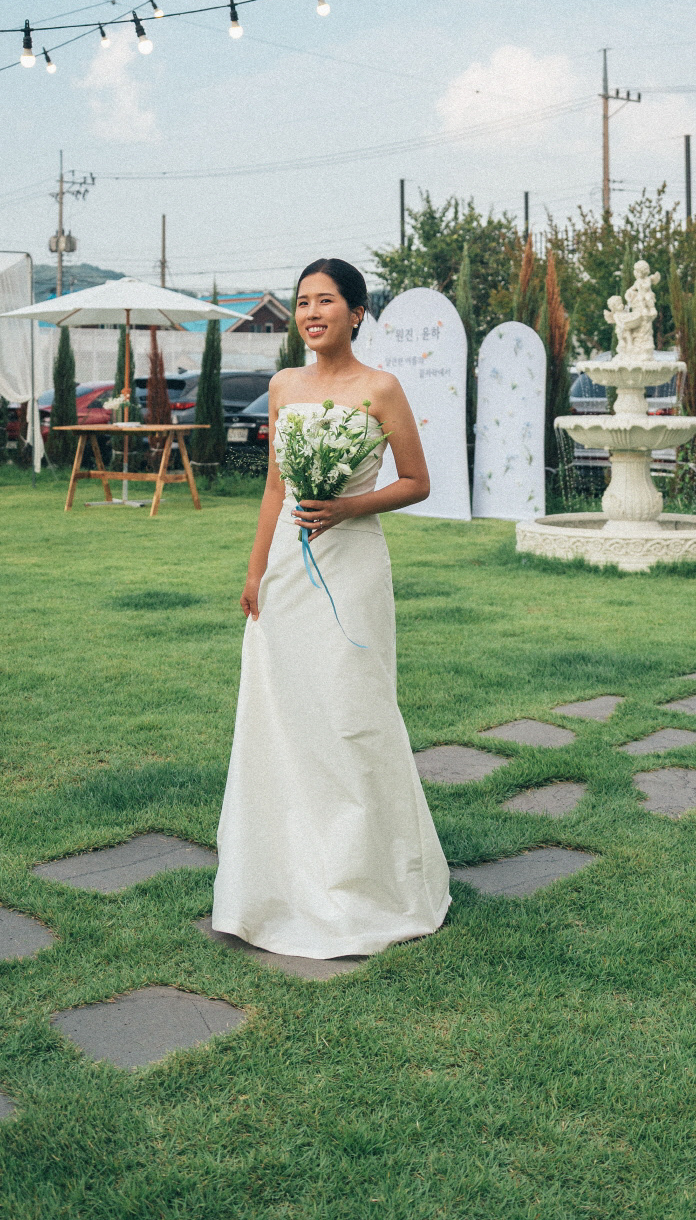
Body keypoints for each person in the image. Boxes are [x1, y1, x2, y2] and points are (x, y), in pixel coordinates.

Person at [212, 258, 450, 960]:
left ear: (356, 312)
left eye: (326, 301)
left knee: (351, 711)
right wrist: (256, 571)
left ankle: (366, 882)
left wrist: (348, 507)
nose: (312, 313)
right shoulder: (283, 386)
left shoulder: (381, 388)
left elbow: (418, 481)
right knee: (282, 714)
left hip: (353, 567)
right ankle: (283, 880)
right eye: (302, 302)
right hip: (289, 570)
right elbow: (273, 490)